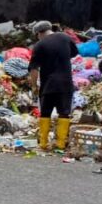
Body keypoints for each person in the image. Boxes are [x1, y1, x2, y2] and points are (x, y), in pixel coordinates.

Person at [28, 19, 78, 151]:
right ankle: (60, 144)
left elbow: (33, 69)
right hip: (66, 83)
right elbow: (74, 53)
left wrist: (34, 86)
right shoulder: (65, 38)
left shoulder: (39, 45)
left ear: (39, 33)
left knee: (45, 113)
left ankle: (43, 143)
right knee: (64, 113)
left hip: (48, 84)